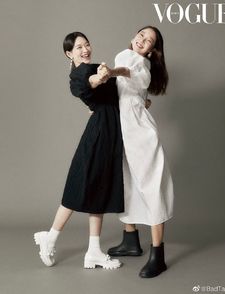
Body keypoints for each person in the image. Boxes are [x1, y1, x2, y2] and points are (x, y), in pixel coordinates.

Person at [34, 32, 124, 270]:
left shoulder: (90, 67)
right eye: (78, 47)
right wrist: (101, 78)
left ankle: (93, 251)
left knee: (99, 188)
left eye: (87, 44)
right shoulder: (80, 74)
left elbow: (110, 89)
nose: (85, 49)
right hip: (99, 134)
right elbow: (91, 83)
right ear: (68, 53)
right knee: (80, 184)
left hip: (109, 131)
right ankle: (50, 237)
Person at [99, 26, 174, 278]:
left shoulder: (142, 63)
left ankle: (158, 254)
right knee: (126, 184)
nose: (143, 40)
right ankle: (130, 241)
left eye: (149, 41)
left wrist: (112, 72)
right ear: (133, 36)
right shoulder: (124, 54)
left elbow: (135, 76)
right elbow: (127, 91)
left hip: (140, 133)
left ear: (152, 51)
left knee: (150, 187)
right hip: (122, 130)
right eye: (141, 35)